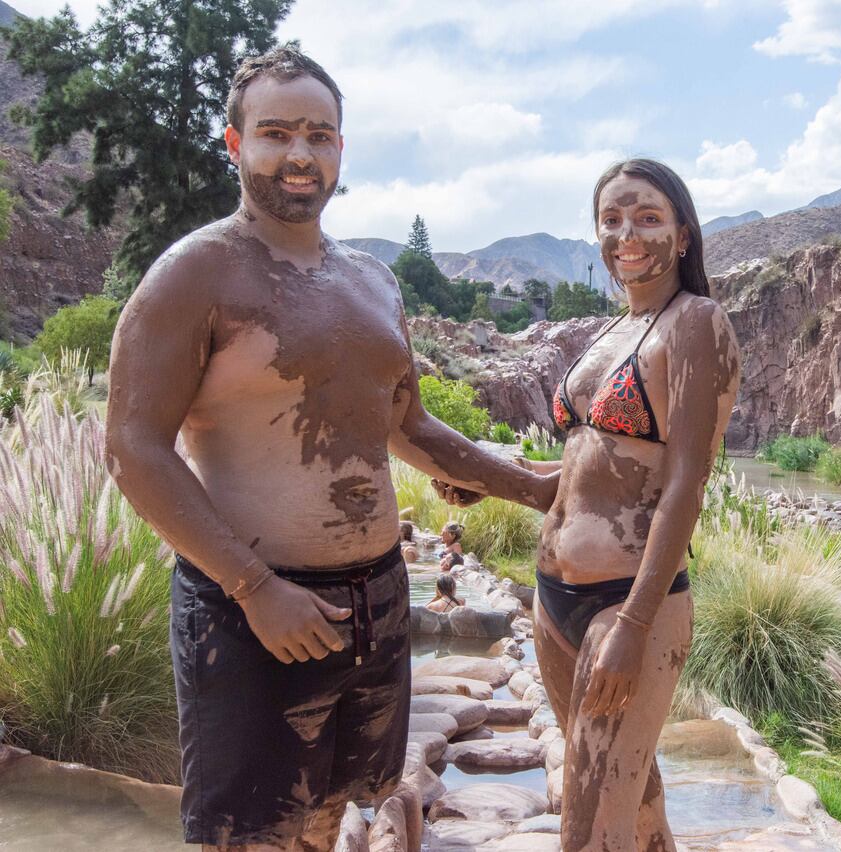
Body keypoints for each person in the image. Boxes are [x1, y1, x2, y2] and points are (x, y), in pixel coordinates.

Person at [103, 47, 557, 852]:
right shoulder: (194, 273)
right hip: (253, 612)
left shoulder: (372, 281)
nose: (301, 153)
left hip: (376, 604)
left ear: (342, 149)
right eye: (276, 132)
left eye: (321, 134)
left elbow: (409, 429)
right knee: (250, 839)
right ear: (235, 144)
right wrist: (252, 586)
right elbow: (133, 448)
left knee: (328, 825)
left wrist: (538, 489)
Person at [533, 158, 741, 851]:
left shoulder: (695, 323)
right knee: (637, 803)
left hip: (627, 606)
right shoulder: (611, 332)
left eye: (648, 217)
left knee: (587, 830)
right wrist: (482, 476)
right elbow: (575, 477)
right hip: (554, 601)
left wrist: (634, 620)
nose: (627, 232)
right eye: (612, 218)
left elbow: (686, 479)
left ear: (682, 234)